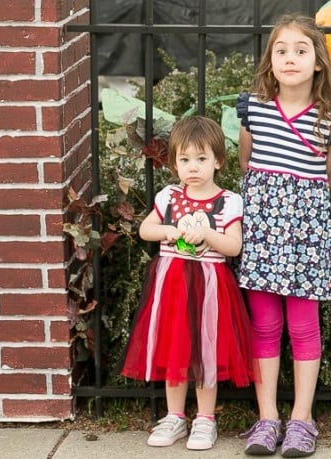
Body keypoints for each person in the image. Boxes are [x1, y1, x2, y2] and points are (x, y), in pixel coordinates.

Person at [236, 13, 331, 458]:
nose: (290, 58)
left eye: (301, 50)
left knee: (304, 327)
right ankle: (267, 418)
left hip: (308, 233)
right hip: (264, 230)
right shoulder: (252, 108)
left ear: (318, 62)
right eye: (281, 50)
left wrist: (301, 211)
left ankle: (301, 419)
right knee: (264, 325)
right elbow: (246, 165)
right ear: (270, 60)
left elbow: (328, 174)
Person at [120, 115, 254, 451]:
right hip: (173, 284)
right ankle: (175, 416)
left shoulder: (229, 201)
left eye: (201, 158)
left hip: (210, 285)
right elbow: (145, 230)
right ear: (174, 163)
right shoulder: (168, 197)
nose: (192, 167)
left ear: (218, 161)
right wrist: (169, 230)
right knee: (175, 347)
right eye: (184, 159)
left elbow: (234, 246)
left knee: (206, 351)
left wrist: (208, 233)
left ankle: (205, 419)